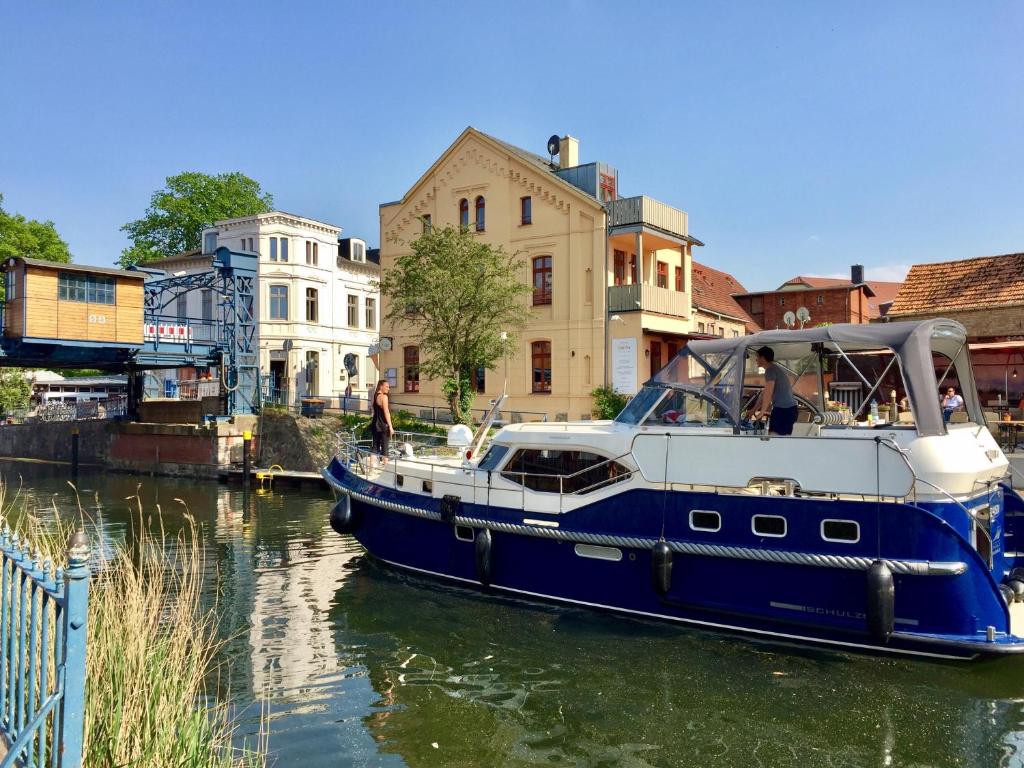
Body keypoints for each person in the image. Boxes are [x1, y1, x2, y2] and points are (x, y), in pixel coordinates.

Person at [753, 346, 798, 436]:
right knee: (781, 441)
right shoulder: (774, 369)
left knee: (774, 439)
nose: (756, 360)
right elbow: (764, 393)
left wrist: (762, 412)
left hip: (783, 410)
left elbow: (768, 393)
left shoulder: (770, 370)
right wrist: (753, 410)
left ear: (762, 358)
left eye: (757, 357)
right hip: (789, 410)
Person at [371, 379, 394, 465]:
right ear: (381, 386)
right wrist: (390, 426)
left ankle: (371, 469)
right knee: (385, 447)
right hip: (383, 425)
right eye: (387, 387)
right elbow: (386, 412)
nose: (388, 389)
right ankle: (386, 469)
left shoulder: (375, 396)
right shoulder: (384, 397)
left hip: (375, 423)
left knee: (375, 447)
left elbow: (373, 409)